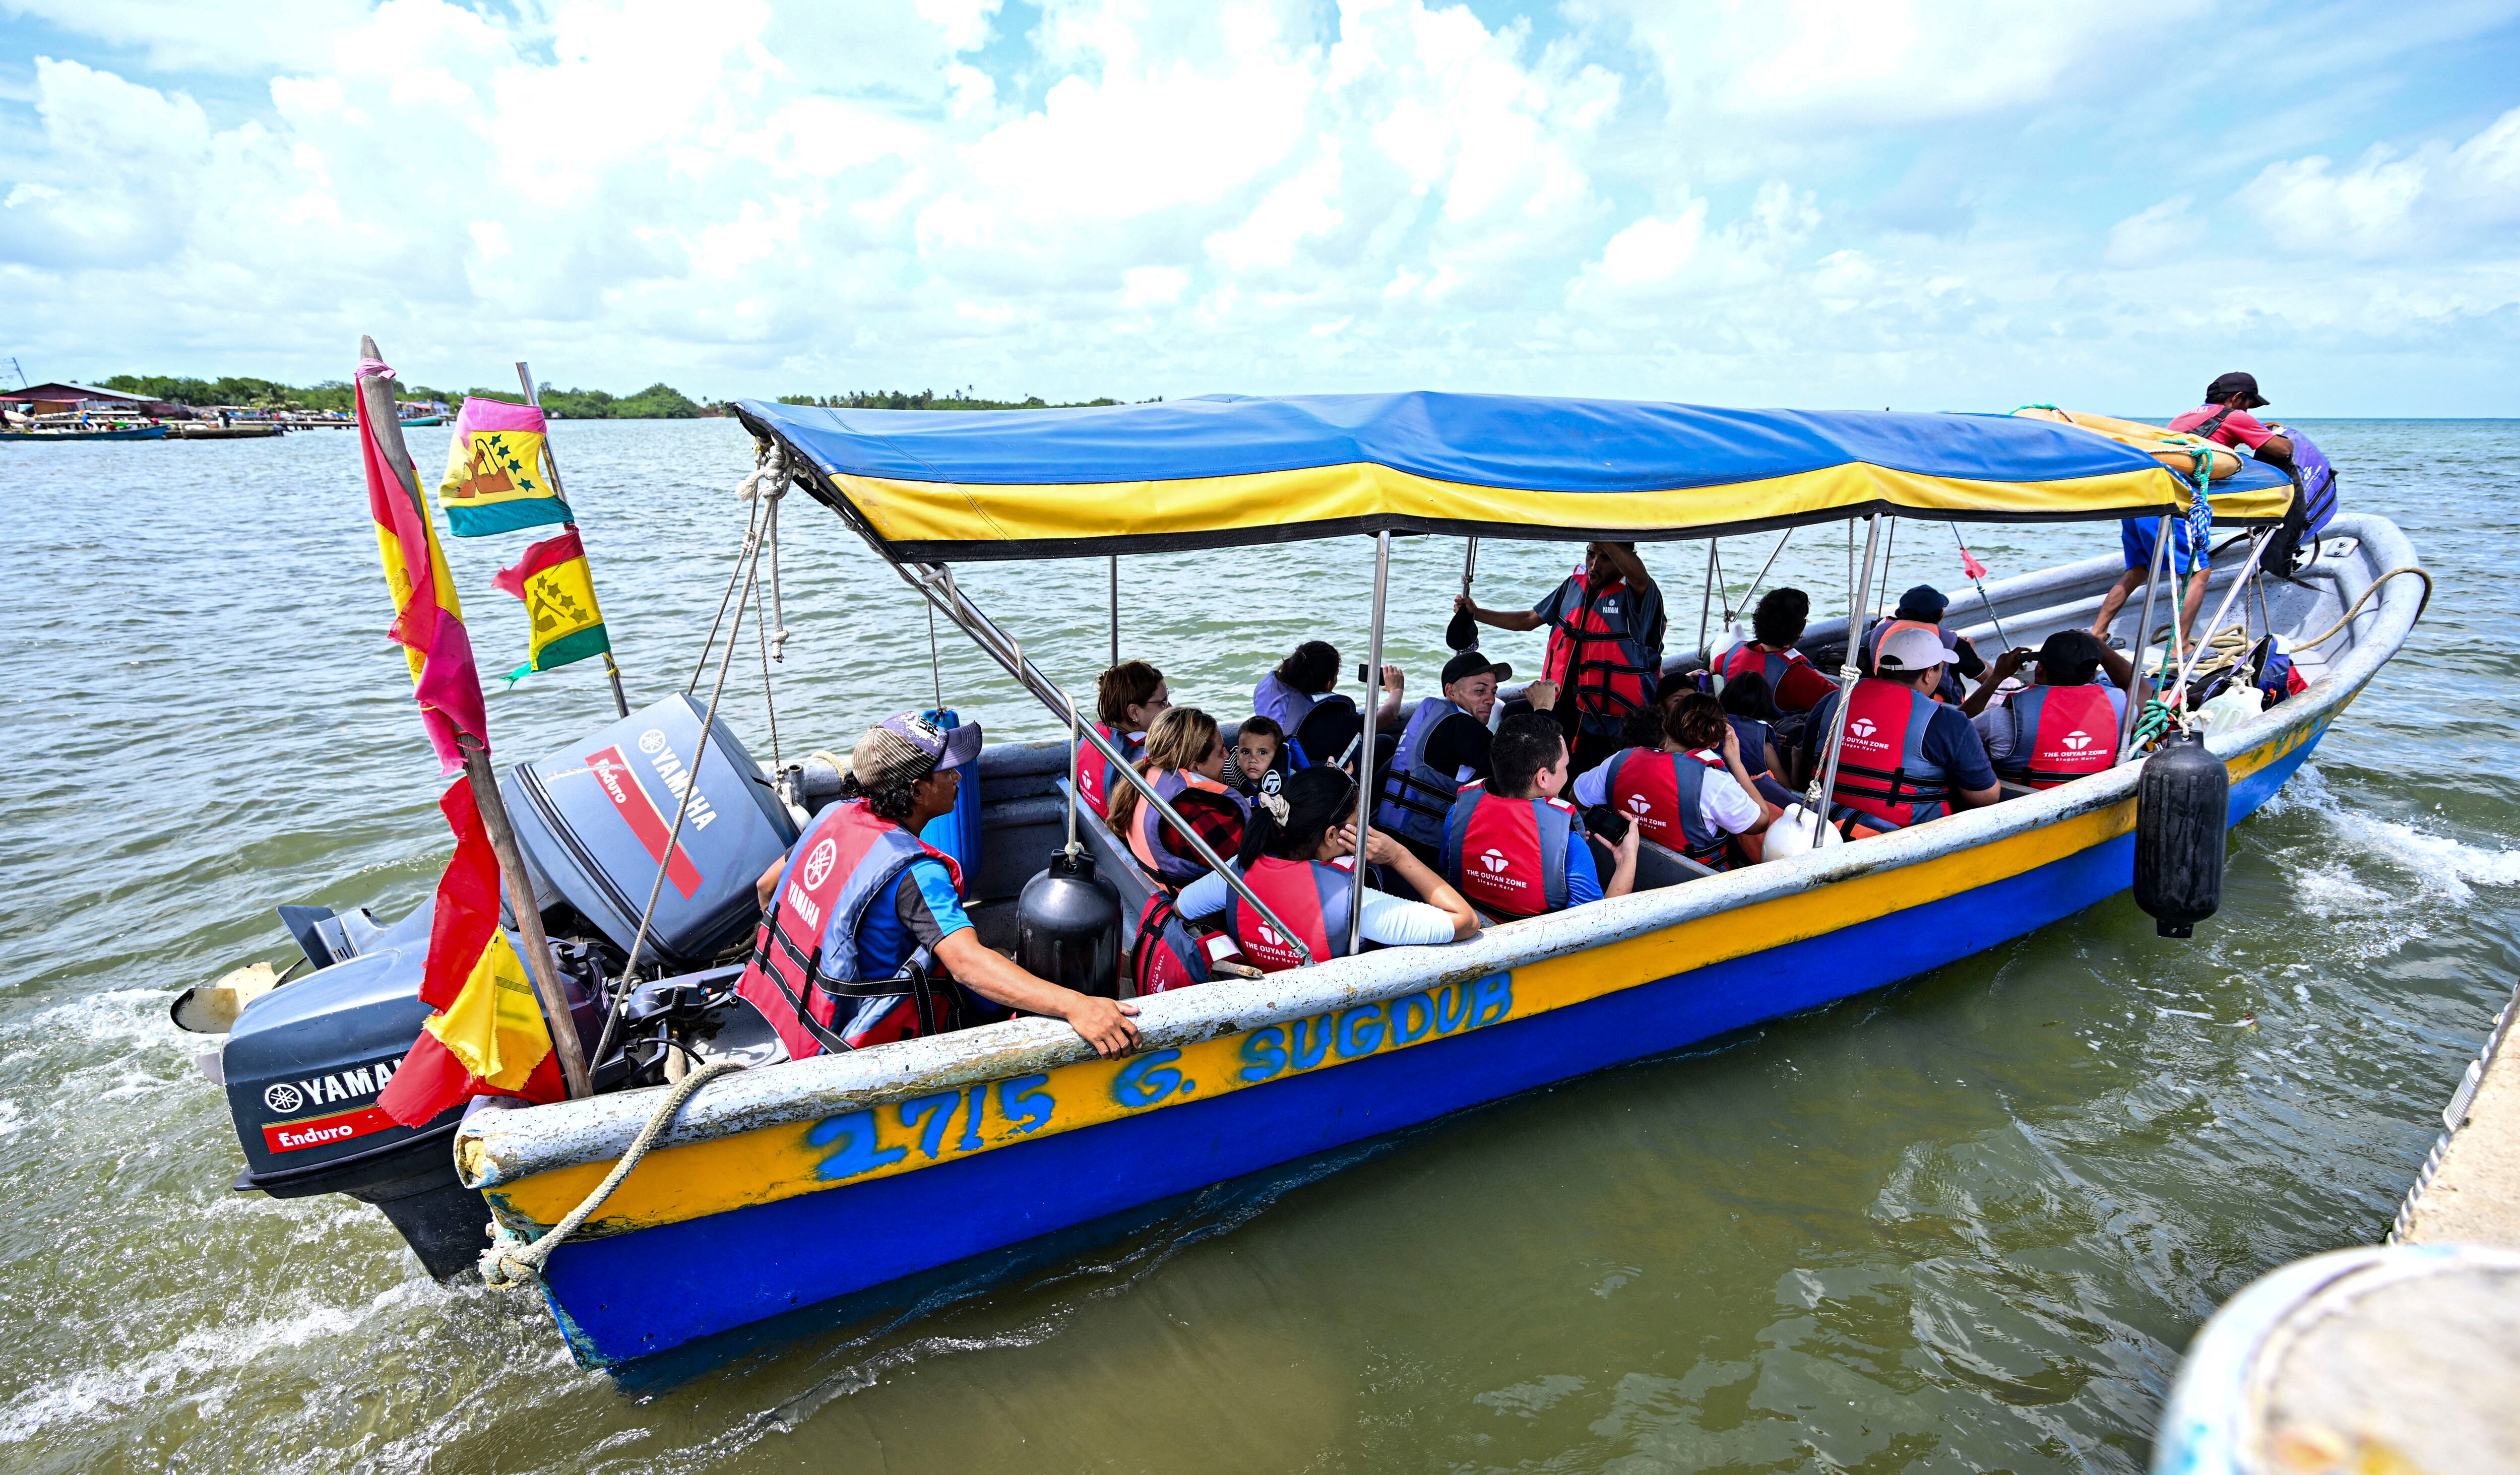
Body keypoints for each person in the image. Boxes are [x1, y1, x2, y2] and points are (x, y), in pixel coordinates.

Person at [739, 712, 1140, 1060]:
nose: (957, 776)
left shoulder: (832, 815)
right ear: (915, 789)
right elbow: (968, 966)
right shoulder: (916, 873)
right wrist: (1077, 1007)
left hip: (781, 1011)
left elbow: (767, 886)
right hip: (841, 1047)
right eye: (946, 769)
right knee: (995, 970)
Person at [1170, 765, 1479, 972]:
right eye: (1359, 820)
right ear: (1332, 835)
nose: (1364, 827)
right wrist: (1399, 856)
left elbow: (1183, 907)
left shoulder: (1240, 868)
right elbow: (1465, 922)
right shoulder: (1351, 902)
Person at [2091, 373, 2295, 648]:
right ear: (2236, 398)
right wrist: (2280, 436)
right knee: (2198, 573)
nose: (2248, 412)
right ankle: (2180, 646)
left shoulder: (2185, 417)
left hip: (2141, 498)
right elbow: (2282, 450)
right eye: (2248, 405)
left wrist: (2257, 426)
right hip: (2174, 502)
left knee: (2139, 570)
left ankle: (2098, 633)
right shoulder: (2236, 417)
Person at [1456, 541, 1664, 774]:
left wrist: (1599, 531)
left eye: (1607, 558)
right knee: (1512, 714)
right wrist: (1477, 613)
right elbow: (1528, 619)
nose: (1595, 565)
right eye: (1591, 554)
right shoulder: (1574, 586)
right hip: (1562, 705)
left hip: (1609, 721)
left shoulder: (1640, 595)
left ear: (1624, 558)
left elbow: (1639, 576)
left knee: (1580, 770)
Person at [1441, 712, 1639, 919]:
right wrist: (1627, 859)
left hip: (1474, 926)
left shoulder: (1459, 812)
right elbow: (1595, 925)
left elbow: (1448, 866)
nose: (1567, 773)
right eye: (1565, 766)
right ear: (1543, 777)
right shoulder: (1570, 844)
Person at [1802, 627, 2001, 829]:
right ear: (1928, 674)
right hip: (1902, 838)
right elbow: (1986, 797)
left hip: (1827, 824)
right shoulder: (1947, 721)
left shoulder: (1833, 701)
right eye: (1941, 668)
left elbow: (1810, 757)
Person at [1375, 651, 1560, 862]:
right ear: (1451, 692)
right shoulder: (1460, 726)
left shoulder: (1435, 716)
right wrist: (1543, 710)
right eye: (1480, 690)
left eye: (1493, 691)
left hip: (1395, 833)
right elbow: (1525, 767)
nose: (1491, 700)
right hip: (1424, 847)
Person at [1571, 692, 1766, 870]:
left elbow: (1576, 797)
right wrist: (1736, 762)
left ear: (1666, 726)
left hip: (1627, 871)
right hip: (1693, 883)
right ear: (1715, 743)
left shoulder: (1619, 761)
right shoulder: (1714, 782)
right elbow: (1761, 822)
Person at [1964, 629, 2134, 789]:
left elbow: (1954, 727)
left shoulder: (2001, 719)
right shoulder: (2121, 709)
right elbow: (2140, 688)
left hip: (2023, 809)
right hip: (2097, 806)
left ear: (2039, 668)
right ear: (2092, 676)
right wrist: (2098, 644)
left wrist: (1997, 677)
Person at [1107, 708, 1244, 890]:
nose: (1228, 756)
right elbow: (1249, 861)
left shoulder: (1144, 778)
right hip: (1202, 906)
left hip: (1159, 885)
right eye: (1220, 753)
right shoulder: (1196, 815)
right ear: (1195, 767)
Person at [1718, 588, 1838, 716]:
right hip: (1776, 732)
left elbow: (1713, 667)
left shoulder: (1734, 654)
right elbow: (1843, 702)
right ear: (1801, 628)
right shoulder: (1798, 675)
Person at [1075, 660, 1169, 817]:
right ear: (1134, 712)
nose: (1170, 707)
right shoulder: (1141, 761)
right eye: (1162, 703)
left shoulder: (1092, 738)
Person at [1861, 585, 1984, 703]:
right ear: (1940, 615)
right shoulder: (1954, 642)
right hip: (1938, 706)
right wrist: (1972, 652)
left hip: (1881, 696)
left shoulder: (1876, 633)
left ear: (1899, 611)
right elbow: (1986, 678)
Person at [1227, 714, 1292, 802]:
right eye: (1246, 752)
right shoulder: (1229, 777)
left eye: (1263, 753)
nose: (1253, 760)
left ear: (1277, 757)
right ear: (1238, 757)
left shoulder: (1291, 778)